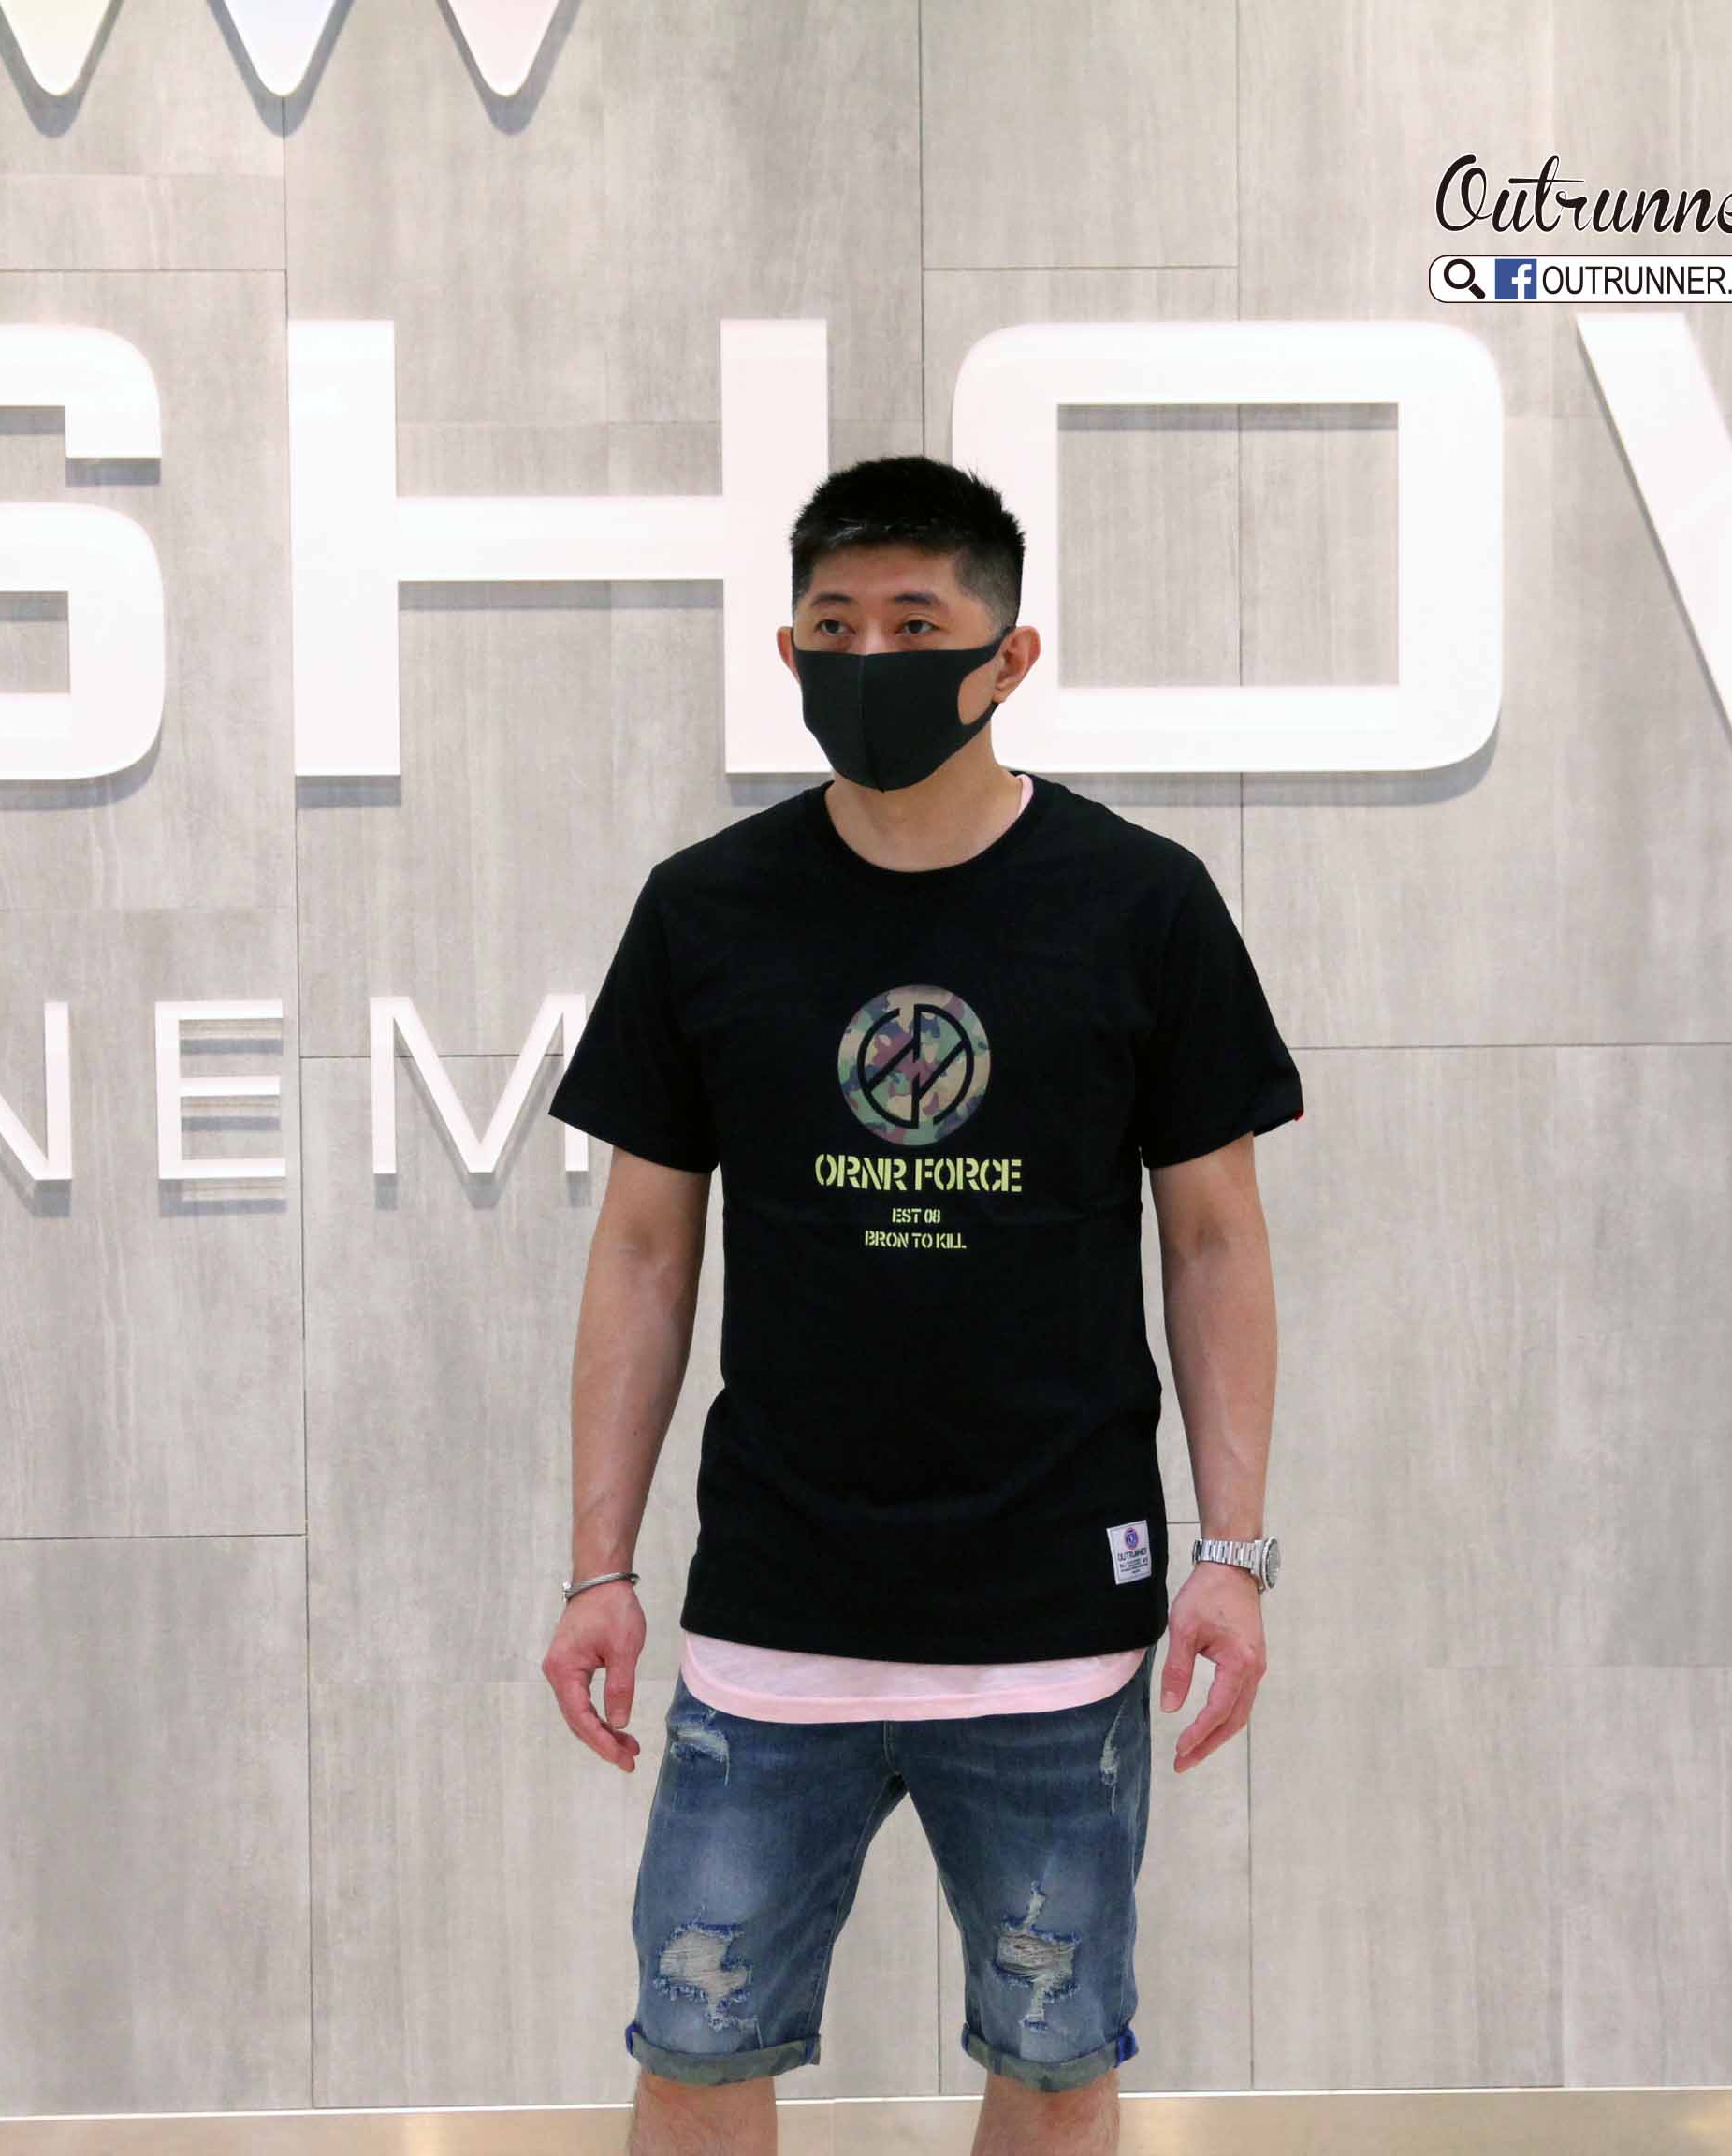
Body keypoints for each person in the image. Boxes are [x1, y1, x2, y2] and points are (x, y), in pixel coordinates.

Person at [541, 454, 1303, 2156]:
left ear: (1009, 655)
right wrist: (600, 1567)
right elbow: (645, 1250)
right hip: (771, 1613)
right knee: (694, 2050)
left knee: (1056, 2062)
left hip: (1054, 1617)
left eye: (914, 621)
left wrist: (1235, 1555)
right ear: (787, 650)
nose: (868, 656)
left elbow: (1215, 1242)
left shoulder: (1139, 903)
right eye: (832, 625)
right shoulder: (706, 909)